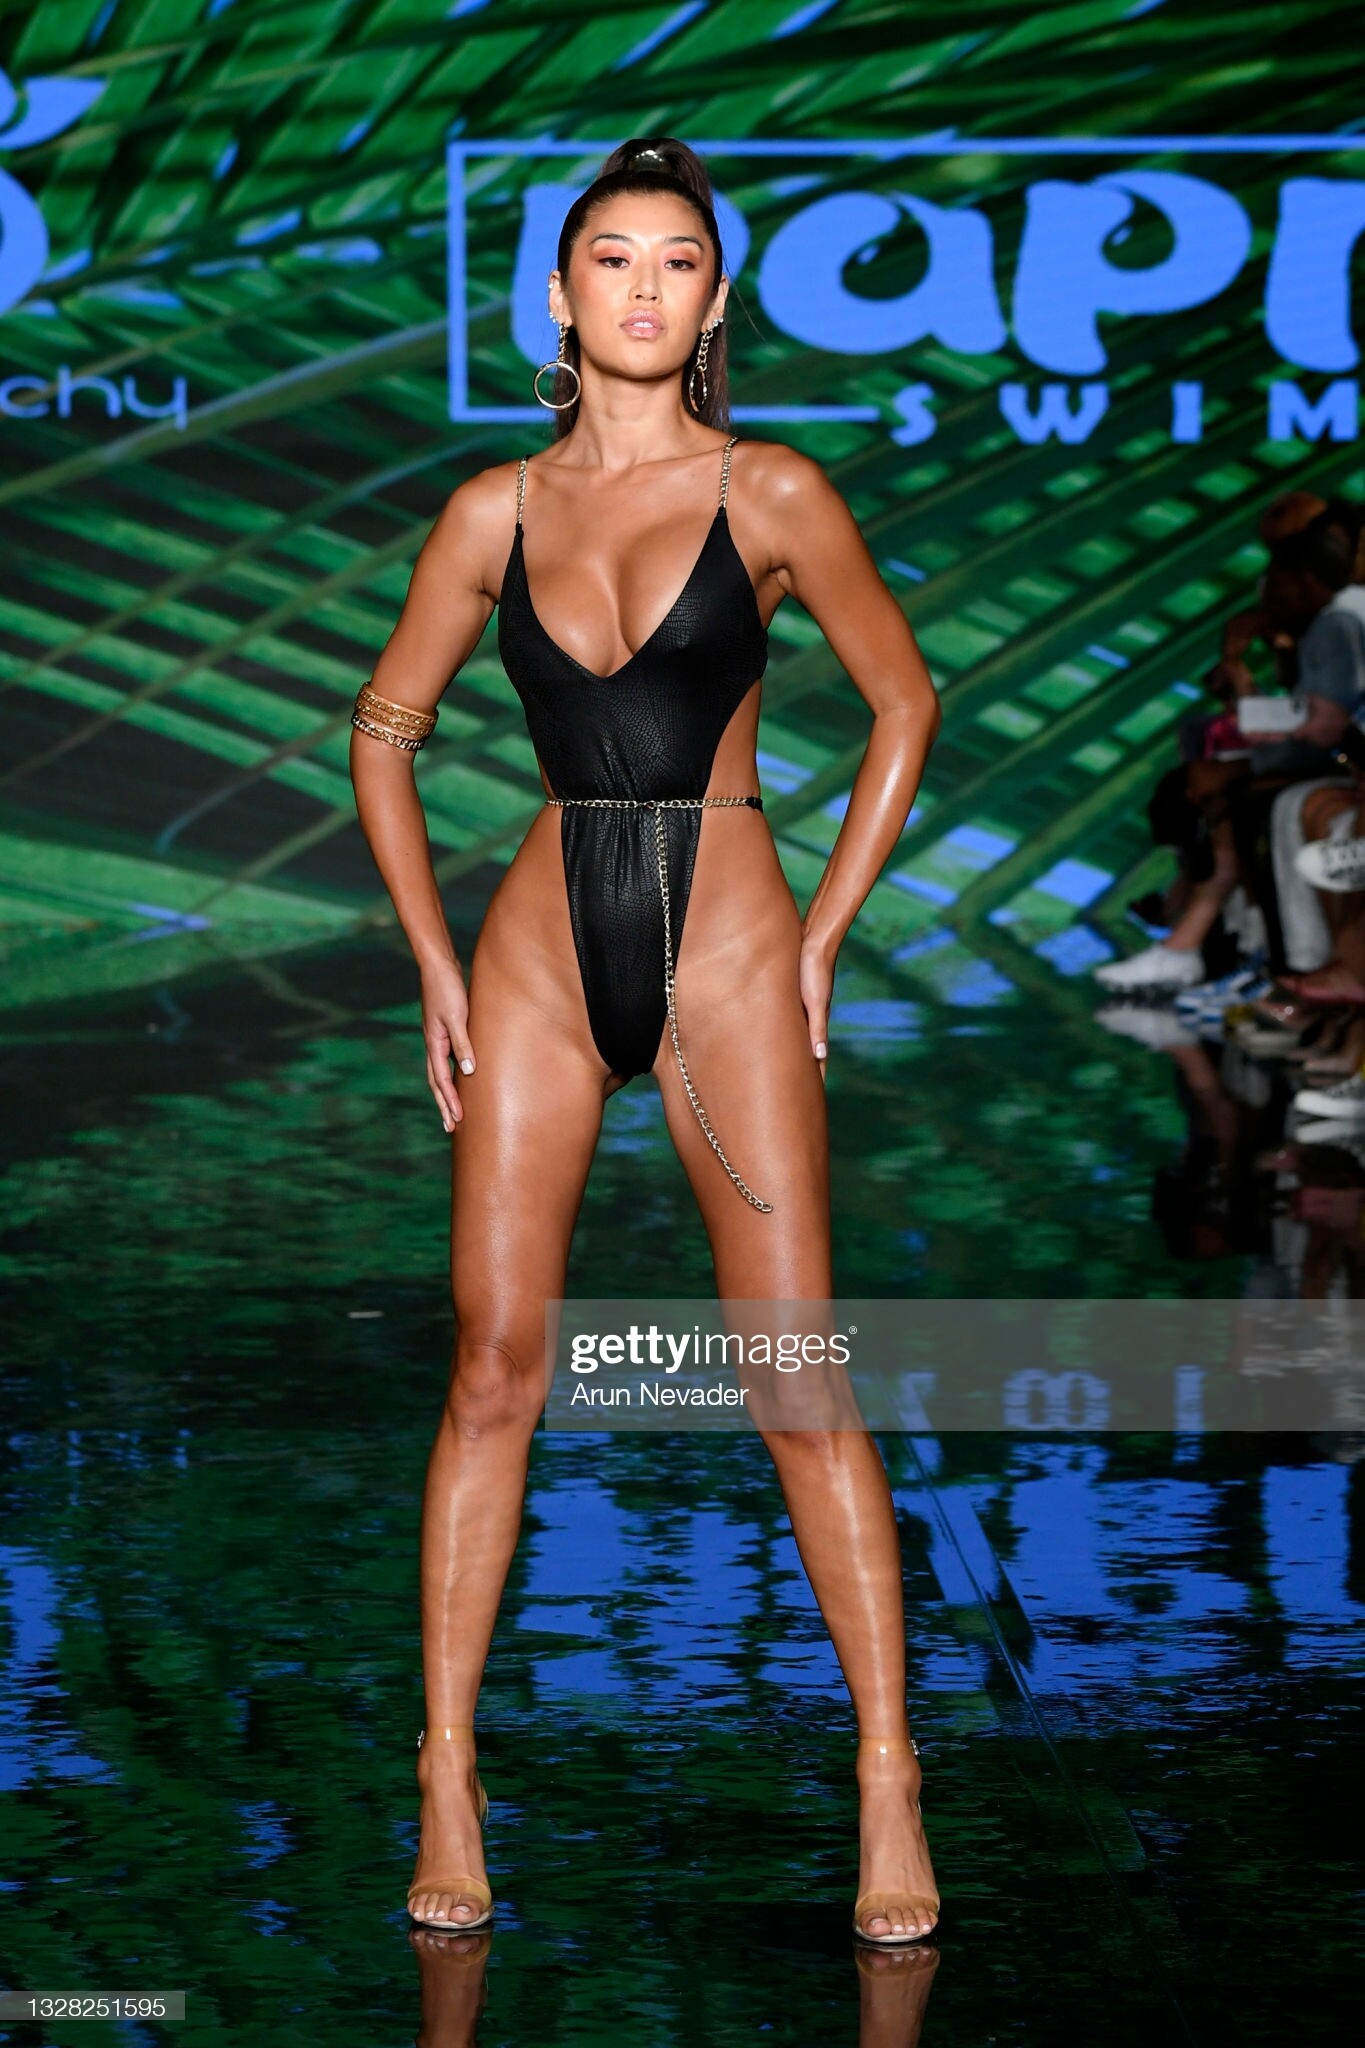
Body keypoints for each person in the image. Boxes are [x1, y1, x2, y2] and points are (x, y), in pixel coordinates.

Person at [347, 136, 943, 1948]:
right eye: (610, 258)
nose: (640, 289)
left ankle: (887, 1777)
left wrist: (823, 941)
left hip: (729, 949)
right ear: (557, 293)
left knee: (794, 1377)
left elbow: (904, 701)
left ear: (714, 298)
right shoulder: (493, 510)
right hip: (539, 953)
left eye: (675, 262)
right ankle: (447, 1771)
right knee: (492, 1366)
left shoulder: (770, 490)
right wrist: (435, 964)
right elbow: (382, 728)